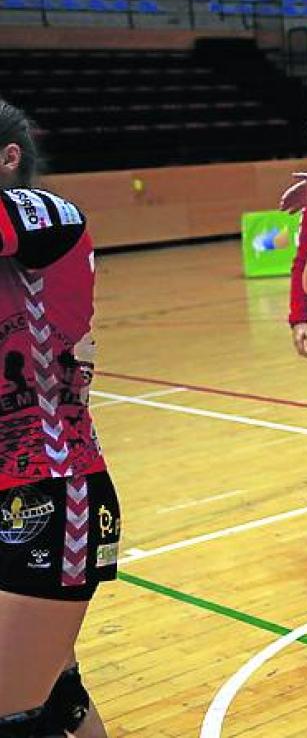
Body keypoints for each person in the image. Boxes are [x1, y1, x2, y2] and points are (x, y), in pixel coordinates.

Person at [0, 99, 120, 737]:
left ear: (8, 157)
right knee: (57, 697)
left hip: (50, 492)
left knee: (16, 714)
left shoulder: (48, 214)